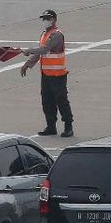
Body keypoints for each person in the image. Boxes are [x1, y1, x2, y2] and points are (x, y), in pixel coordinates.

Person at [20, 10, 73, 138]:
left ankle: (68, 126)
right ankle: (51, 126)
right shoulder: (44, 34)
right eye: (43, 19)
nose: (45, 21)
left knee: (61, 101)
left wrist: (28, 50)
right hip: (46, 74)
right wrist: (28, 64)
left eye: (47, 18)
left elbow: (45, 49)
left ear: (54, 19)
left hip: (58, 75)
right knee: (47, 101)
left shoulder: (57, 35)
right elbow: (40, 53)